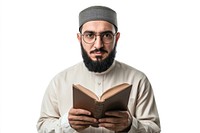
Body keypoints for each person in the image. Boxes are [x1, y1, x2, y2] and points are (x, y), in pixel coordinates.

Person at [37, 5, 161, 133]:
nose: (98, 45)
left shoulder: (138, 80)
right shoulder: (59, 81)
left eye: (106, 35)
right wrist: (66, 123)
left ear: (116, 38)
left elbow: (154, 129)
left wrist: (130, 125)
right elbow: (42, 127)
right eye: (90, 35)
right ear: (80, 39)